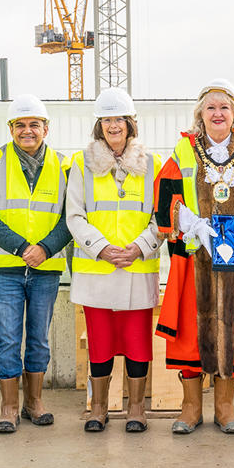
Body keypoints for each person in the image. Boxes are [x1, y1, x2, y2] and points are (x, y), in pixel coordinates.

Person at [154, 78, 234, 434]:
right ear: (201, 114)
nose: (218, 113)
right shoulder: (184, 150)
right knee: (191, 333)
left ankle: (225, 407)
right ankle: (190, 407)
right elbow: (165, 196)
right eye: (211, 107)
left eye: (225, 107)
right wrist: (192, 223)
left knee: (233, 333)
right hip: (195, 256)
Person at [67, 87, 162, 433]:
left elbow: (160, 216)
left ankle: (136, 408)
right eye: (106, 119)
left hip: (137, 266)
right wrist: (102, 248)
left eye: (119, 119)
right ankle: (99, 408)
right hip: (98, 268)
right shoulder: (81, 162)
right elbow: (74, 216)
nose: (113, 125)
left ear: (130, 123)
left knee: (138, 340)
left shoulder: (153, 164)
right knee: (100, 340)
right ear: (99, 125)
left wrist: (139, 246)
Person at [0, 94, 72, 433]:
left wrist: (45, 248)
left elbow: (70, 217)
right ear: (11, 128)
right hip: (6, 267)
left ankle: (34, 402)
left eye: (34, 124)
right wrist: (21, 248)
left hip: (46, 267)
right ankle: (9, 406)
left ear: (46, 128)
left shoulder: (64, 166)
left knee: (39, 339)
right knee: (8, 338)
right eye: (20, 125)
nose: (27, 131)